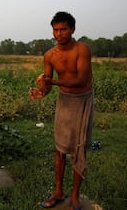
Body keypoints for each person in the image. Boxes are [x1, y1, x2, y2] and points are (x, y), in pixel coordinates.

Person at [29, 11, 94, 210]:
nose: (59, 33)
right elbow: (48, 85)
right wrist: (42, 90)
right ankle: (58, 191)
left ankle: (74, 195)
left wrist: (52, 82)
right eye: (56, 30)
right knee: (60, 149)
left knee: (78, 148)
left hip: (82, 100)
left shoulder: (82, 49)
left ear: (72, 29)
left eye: (63, 29)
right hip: (64, 101)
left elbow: (81, 80)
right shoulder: (49, 55)